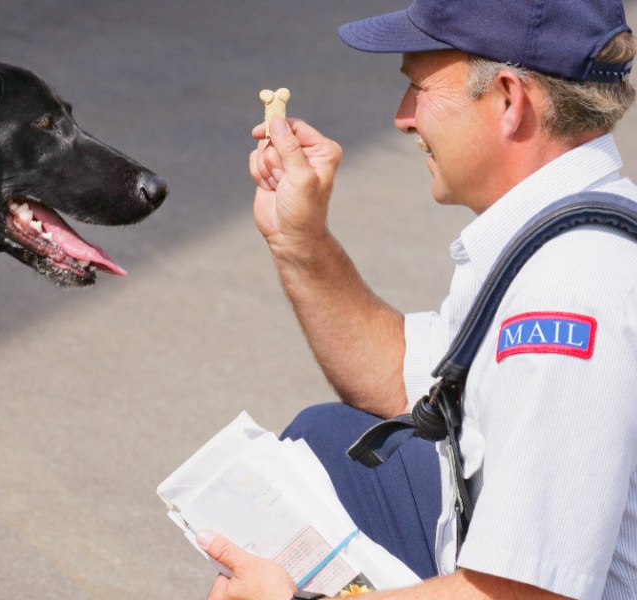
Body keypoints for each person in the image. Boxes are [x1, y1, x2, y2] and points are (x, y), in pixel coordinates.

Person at [196, 1, 637, 599]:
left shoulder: (568, 296)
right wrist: (300, 242)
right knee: (328, 445)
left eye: (420, 88)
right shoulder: (559, 229)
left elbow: (529, 596)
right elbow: (406, 385)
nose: (402, 119)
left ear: (509, 99)